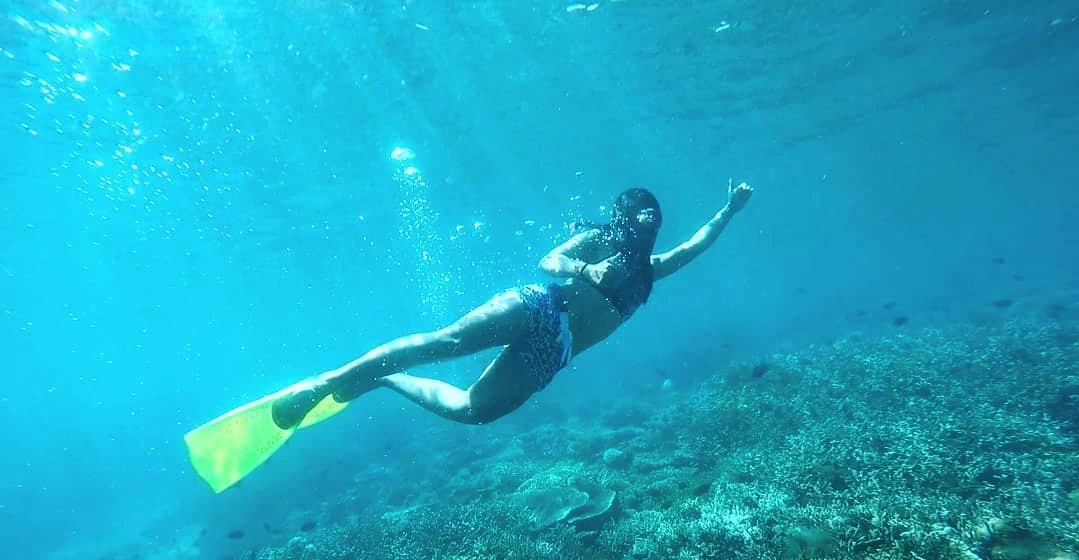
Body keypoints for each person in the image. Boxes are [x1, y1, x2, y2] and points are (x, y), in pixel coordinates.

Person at [271, 180, 753, 429]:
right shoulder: (597, 238)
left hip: (553, 354)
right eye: (636, 223)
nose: (641, 233)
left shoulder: (652, 269)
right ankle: (327, 382)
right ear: (623, 220)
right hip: (540, 307)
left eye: (649, 226)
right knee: (447, 341)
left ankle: (384, 379)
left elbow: (698, 244)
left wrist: (728, 210)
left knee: (473, 411)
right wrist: (587, 270)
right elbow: (548, 260)